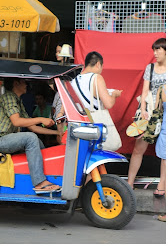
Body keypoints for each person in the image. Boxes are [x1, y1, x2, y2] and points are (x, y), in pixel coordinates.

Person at [0, 77, 61, 194]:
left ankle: (47, 175)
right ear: (16, 83)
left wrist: (57, 133)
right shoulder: (8, 97)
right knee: (30, 138)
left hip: (5, 140)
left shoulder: (18, 100)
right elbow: (17, 121)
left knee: (37, 141)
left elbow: (32, 126)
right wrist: (41, 119)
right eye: (23, 82)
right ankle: (39, 183)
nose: (26, 85)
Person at [127, 37, 166, 191]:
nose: (155, 53)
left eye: (158, 50)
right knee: (138, 149)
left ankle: (162, 187)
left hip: (166, 113)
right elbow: (144, 92)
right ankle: (129, 183)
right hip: (150, 113)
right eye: (154, 50)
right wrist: (142, 109)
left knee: (165, 154)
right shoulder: (150, 68)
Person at [71, 51, 121, 116]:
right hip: (93, 122)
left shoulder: (73, 80)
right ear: (98, 64)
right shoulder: (96, 78)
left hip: (78, 120)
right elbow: (109, 104)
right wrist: (114, 94)